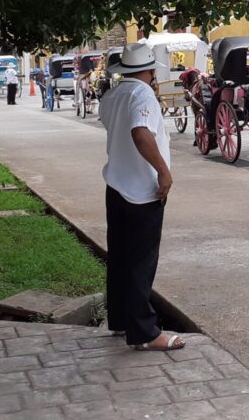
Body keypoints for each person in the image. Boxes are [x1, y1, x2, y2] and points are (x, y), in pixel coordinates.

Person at [98, 43, 184, 352]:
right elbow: (140, 132)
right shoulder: (142, 94)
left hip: (116, 185)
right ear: (148, 71)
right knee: (140, 262)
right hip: (141, 191)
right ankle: (146, 333)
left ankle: (122, 319)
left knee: (120, 257)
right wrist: (162, 170)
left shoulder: (112, 96)